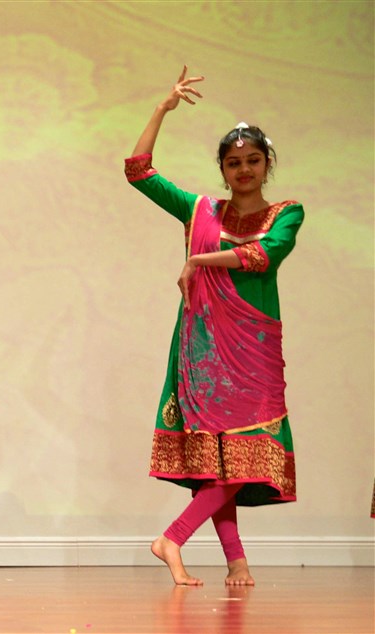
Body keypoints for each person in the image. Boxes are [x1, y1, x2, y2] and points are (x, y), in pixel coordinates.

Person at [125, 67, 303, 586]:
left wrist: (198, 260)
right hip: (202, 346)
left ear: (267, 165)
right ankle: (185, 543)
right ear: (223, 170)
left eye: (252, 160)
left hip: (253, 346)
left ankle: (220, 555)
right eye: (233, 162)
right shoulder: (199, 210)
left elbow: (261, 257)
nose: (243, 169)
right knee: (222, 457)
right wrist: (162, 109)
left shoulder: (288, 213)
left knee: (247, 450)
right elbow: (138, 171)